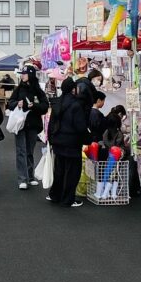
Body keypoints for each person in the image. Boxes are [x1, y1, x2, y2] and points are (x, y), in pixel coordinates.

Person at [47, 75, 90, 207]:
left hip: (58, 141)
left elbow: (51, 123)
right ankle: (68, 199)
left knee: (59, 170)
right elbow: (80, 126)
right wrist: (88, 138)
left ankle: (55, 195)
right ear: (73, 89)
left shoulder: (57, 103)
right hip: (72, 142)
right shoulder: (76, 105)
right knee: (72, 172)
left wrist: (51, 138)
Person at [7, 67, 49, 190]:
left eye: (24, 74)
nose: (22, 76)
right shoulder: (19, 88)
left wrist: (34, 106)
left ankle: (30, 176)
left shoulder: (38, 90)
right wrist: (17, 104)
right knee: (21, 151)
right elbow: (10, 102)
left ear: (30, 75)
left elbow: (45, 106)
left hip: (33, 124)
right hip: (19, 124)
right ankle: (22, 178)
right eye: (22, 74)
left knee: (29, 151)